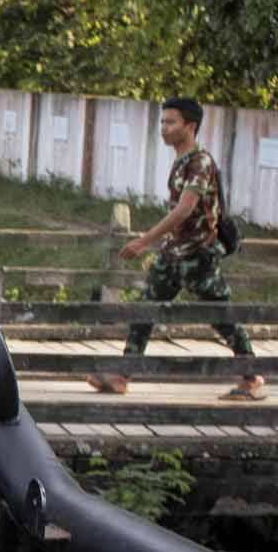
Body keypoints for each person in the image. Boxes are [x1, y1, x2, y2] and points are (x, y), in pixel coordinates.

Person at [90, 97, 263, 402]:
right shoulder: (182, 161)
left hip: (199, 257)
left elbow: (185, 209)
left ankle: (251, 377)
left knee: (220, 316)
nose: (164, 128)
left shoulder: (200, 162)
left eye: (171, 122)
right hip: (174, 255)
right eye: (162, 122)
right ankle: (121, 376)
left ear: (190, 126)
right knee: (145, 309)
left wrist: (144, 241)